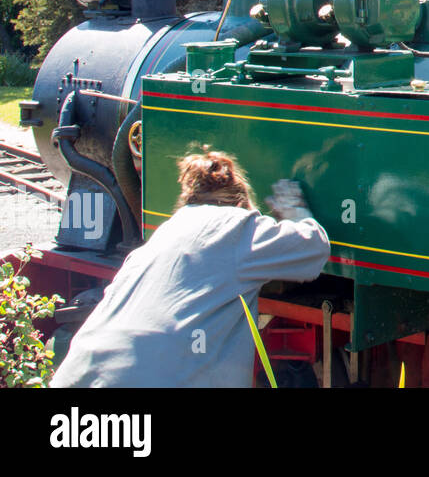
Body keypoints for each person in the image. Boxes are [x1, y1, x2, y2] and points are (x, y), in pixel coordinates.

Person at [52, 151, 330, 387]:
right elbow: (314, 248)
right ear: (239, 202)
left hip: (79, 373)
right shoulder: (235, 224)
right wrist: (295, 211)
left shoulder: (166, 232)